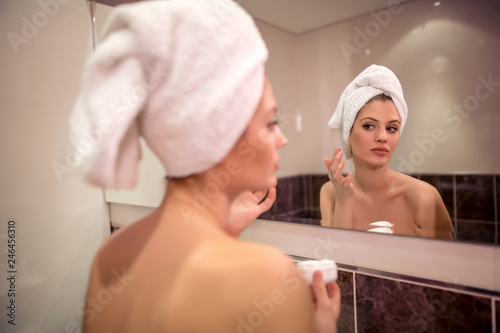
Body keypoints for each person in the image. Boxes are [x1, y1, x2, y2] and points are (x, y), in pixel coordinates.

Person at [69, 1, 340, 332]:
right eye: (271, 122)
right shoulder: (270, 280)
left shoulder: (110, 255)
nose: (280, 139)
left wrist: (224, 226)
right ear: (221, 133)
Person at [320, 65, 454, 240]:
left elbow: (447, 266)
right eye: (368, 126)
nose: (383, 137)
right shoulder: (331, 192)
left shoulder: (423, 197)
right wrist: (344, 202)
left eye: (391, 128)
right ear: (349, 134)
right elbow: (336, 263)